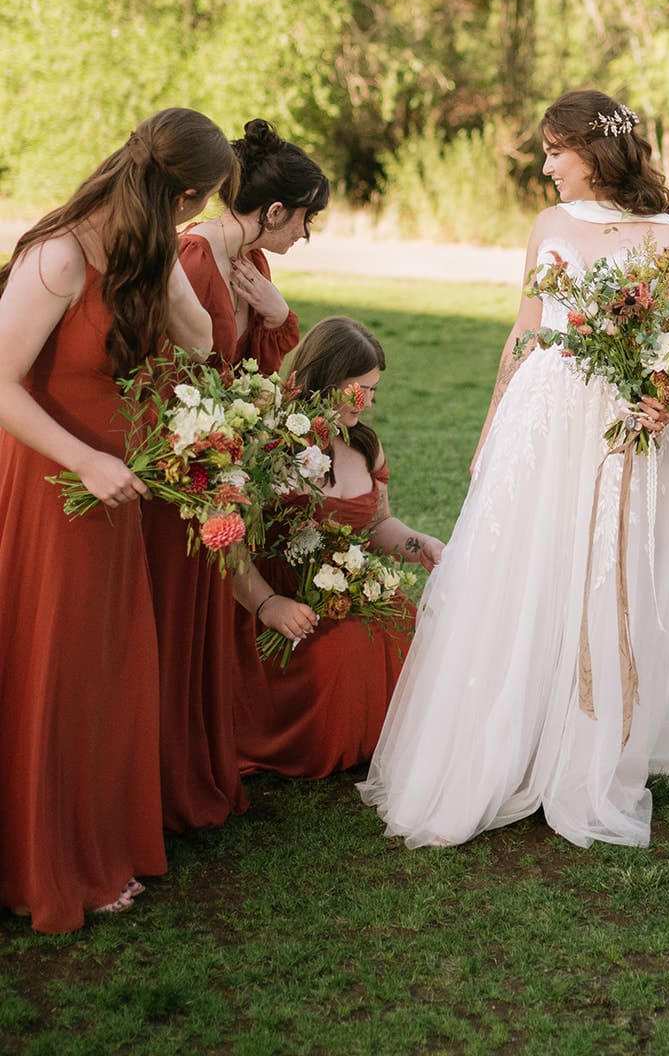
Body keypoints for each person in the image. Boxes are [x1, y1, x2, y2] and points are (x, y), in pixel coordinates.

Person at [359, 90, 669, 849]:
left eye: (556, 150)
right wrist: (493, 423)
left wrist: (667, 408)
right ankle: (502, 744)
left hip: (622, 432)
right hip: (540, 422)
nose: (546, 166)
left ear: (594, 152)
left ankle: (583, 756)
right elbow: (525, 329)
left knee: (604, 580)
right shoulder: (549, 225)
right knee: (520, 573)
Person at [0, 109, 235, 932]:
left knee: (103, 667)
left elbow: (202, 343)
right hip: (54, 479)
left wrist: (168, 260)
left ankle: (90, 843)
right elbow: (0, 384)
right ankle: (44, 861)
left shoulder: (143, 250)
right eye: (198, 204)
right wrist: (86, 462)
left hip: (116, 489)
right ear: (185, 193)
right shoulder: (58, 255)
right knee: (55, 667)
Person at [140, 118, 329, 832]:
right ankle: (160, 780)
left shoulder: (257, 267)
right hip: (183, 462)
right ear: (274, 211)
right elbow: (167, 373)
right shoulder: (190, 258)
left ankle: (196, 766)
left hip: (227, 452)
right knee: (177, 620)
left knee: (208, 622)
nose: (307, 234)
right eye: (307, 217)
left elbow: (254, 369)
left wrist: (279, 314)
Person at [231, 317, 443, 778]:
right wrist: (268, 604)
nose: (368, 401)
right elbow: (231, 547)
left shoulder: (365, 444)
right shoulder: (271, 442)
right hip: (284, 598)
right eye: (358, 388)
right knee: (344, 647)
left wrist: (418, 543)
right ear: (327, 377)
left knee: (404, 626)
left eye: (373, 389)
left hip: (346, 584)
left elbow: (378, 523)